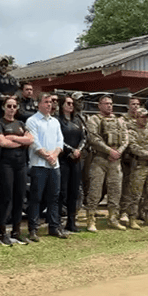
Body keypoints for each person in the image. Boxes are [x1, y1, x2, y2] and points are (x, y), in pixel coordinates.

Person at [0, 96, 34, 246]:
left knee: (20, 197)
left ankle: (16, 231)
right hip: (6, 164)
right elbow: (2, 142)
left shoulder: (21, 124)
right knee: (6, 197)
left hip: (21, 164)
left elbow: (31, 140)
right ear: (4, 107)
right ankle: (2, 232)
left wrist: (13, 138)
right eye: (9, 106)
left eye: (14, 106)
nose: (11, 109)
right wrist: (20, 141)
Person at [26, 93, 67, 240]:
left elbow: (60, 141)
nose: (49, 104)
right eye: (46, 102)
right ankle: (33, 229)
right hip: (39, 165)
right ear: (39, 104)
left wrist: (54, 155)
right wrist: (47, 156)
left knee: (54, 197)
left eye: (50, 102)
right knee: (36, 198)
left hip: (54, 166)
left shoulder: (55, 122)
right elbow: (34, 142)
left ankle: (54, 227)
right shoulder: (32, 121)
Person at [85, 94, 128, 231]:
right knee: (95, 190)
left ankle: (113, 218)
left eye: (110, 103)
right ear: (99, 105)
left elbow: (126, 138)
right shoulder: (94, 120)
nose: (109, 106)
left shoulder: (120, 121)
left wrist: (118, 152)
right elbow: (93, 138)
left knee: (115, 191)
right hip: (100, 159)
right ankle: (91, 219)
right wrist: (109, 151)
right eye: (106, 103)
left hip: (115, 161)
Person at [58, 94, 87, 233]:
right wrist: (70, 150)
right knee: (62, 192)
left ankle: (71, 222)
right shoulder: (58, 121)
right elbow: (58, 139)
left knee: (74, 192)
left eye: (72, 103)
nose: (70, 105)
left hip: (76, 160)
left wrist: (78, 150)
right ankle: (57, 222)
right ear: (62, 105)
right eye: (68, 103)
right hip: (63, 159)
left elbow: (84, 138)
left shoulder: (78, 120)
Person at [118, 96, 142, 223]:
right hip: (127, 157)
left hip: (141, 158)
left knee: (139, 186)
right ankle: (124, 212)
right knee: (127, 185)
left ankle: (137, 211)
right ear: (128, 106)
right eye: (133, 104)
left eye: (137, 104)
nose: (135, 106)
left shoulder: (142, 120)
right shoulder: (122, 120)